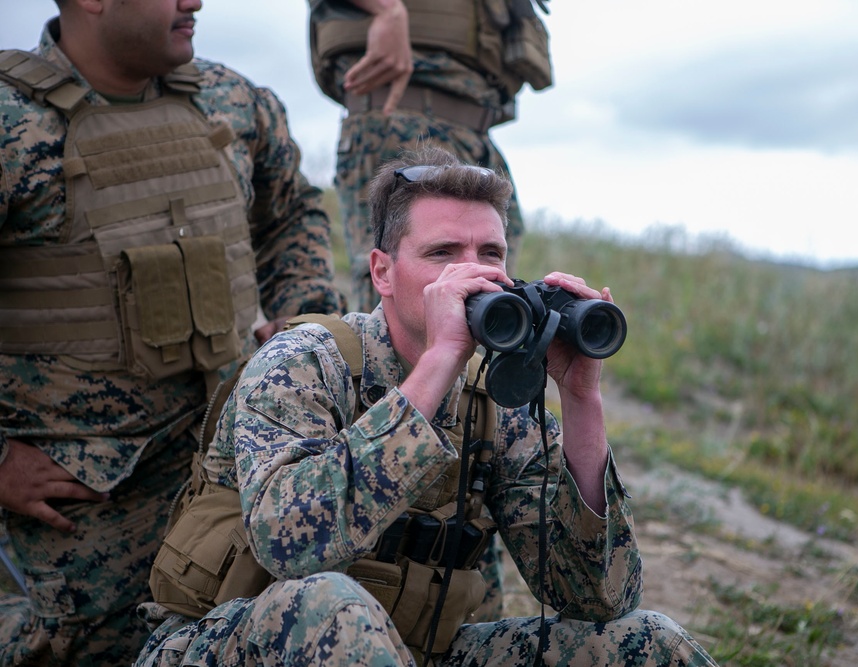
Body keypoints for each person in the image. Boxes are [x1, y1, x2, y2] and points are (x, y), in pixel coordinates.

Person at [133, 145, 719, 666]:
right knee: (329, 605)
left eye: (492, 253)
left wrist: (581, 398)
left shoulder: (496, 403)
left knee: (646, 642)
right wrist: (440, 361)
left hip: (412, 652)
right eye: (443, 253)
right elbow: (293, 545)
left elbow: (597, 596)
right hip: (238, 642)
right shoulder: (304, 361)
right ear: (382, 273)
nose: (475, 272)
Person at [0, 0, 347, 664]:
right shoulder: (13, 124)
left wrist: (301, 325)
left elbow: (293, 209)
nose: (196, 1)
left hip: (231, 480)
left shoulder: (232, 100)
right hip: (84, 519)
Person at [308, 0, 553, 312]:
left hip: (474, 127)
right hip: (402, 114)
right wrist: (387, 9)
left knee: (486, 288)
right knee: (405, 294)